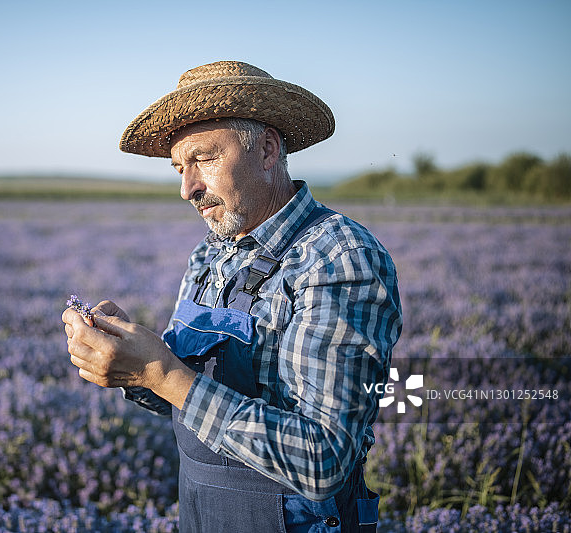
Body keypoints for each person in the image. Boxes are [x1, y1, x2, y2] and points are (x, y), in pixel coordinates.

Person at [62, 60, 402, 533]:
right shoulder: (210, 255)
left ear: (266, 150)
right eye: (179, 168)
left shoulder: (336, 259)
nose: (187, 189)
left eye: (203, 158)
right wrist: (130, 362)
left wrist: (159, 371)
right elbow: (181, 395)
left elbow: (323, 460)